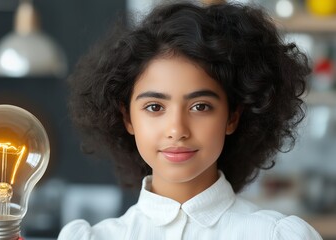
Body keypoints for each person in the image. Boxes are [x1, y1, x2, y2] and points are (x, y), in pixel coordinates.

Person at [58, 1, 322, 239]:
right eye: (154, 106)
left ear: (232, 117)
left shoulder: (275, 236)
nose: (177, 130)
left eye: (200, 106)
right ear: (127, 118)